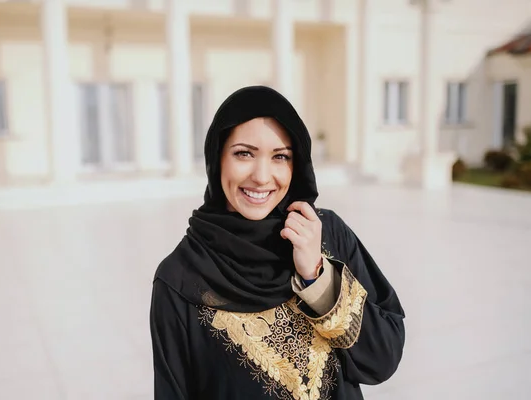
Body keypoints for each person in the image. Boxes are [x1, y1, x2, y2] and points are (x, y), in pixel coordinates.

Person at [150, 86, 405, 400]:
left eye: (280, 156)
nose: (261, 176)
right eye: (244, 153)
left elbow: (383, 360)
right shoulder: (179, 278)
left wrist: (318, 276)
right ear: (218, 159)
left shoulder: (327, 233)